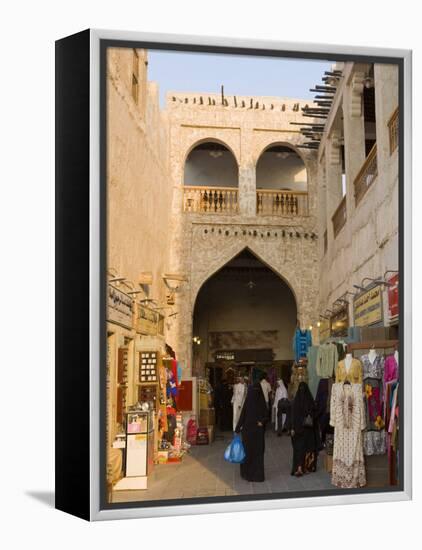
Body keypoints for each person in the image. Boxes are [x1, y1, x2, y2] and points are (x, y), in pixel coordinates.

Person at [235, 381, 268, 482]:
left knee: (256, 452)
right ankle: (249, 474)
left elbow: (266, 415)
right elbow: (243, 415)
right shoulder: (252, 401)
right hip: (251, 432)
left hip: (254, 431)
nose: (254, 393)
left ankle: (254, 475)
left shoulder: (254, 400)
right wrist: (237, 428)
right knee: (251, 452)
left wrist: (262, 422)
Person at [288, 381, 320, 476]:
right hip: (307, 430)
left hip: (299, 430)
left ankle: (299, 468)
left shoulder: (296, 401)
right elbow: (314, 414)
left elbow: (292, 416)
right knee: (306, 448)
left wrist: (292, 428)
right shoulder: (310, 400)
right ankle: (304, 467)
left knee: (298, 449)